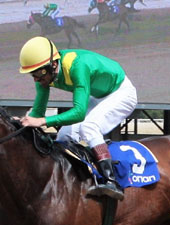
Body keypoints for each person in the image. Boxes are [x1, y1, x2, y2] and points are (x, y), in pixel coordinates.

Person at [18, 36, 137, 200]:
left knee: (88, 127)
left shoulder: (78, 66)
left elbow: (79, 112)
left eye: (39, 73)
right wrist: (22, 124)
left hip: (121, 93)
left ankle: (111, 180)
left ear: (53, 64)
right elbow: (37, 113)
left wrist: (43, 121)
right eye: (32, 74)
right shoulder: (45, 74)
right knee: (63, 136)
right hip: (96, 96)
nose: (36, 79)